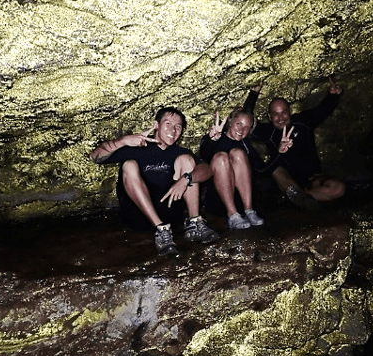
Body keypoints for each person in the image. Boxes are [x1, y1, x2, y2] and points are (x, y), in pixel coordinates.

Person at [89, 107, 219, 255]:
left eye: (178, 126)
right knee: (129, 165)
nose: (173, 129)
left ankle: (194, 223)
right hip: (138, 215)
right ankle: (161, 230)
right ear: (156, 125)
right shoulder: (137, 148)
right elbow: (95, 157)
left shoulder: (181, 153)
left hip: (170, 213)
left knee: (188, 162)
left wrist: (186, 179)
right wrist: (124, 141)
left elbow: (207, 170)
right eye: (168, 124)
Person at [249, 78, 346, 210]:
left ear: (290, 111)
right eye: (275, 114)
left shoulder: (303, 122)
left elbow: (323, 110)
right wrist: (253, 93)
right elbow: (245, 120)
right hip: (288, 182)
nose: (281, 118)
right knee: (275, 170)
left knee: (339, 188)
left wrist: (333, 95)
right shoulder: (268, 132)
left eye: (284, 112)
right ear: (270, 117)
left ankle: (300, 199)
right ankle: (298, 198)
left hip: (312, 180)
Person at [199, 107, 292, 228]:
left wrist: (279, 152)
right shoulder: (212, 138)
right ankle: (232, 214)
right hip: (218, 201)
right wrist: (213, 140)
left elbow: (262, 170)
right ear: (230, 121)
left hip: (241, 203)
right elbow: (204, 156)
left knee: (238, 153)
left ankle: (249, 211)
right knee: (221, 157)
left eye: (246, 127)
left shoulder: (246, 146)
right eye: (238, 123)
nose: (241, 129)